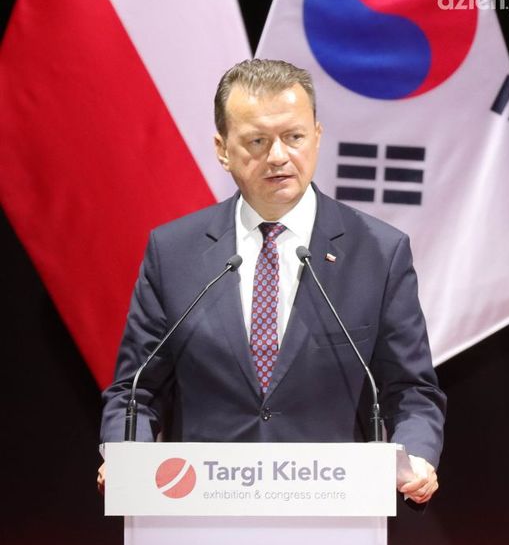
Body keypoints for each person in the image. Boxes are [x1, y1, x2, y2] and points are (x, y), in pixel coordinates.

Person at [98, 59, 446, 503]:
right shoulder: (173, 252)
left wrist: (416, 456)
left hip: (332, 510)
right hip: (200, 510)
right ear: (223, 149)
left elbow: (411, 390)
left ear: (317, 136)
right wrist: (127, 458)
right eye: (258, 141)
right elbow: (136, 391)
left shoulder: (378, 251)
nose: (278, 156)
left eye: (294, 137)